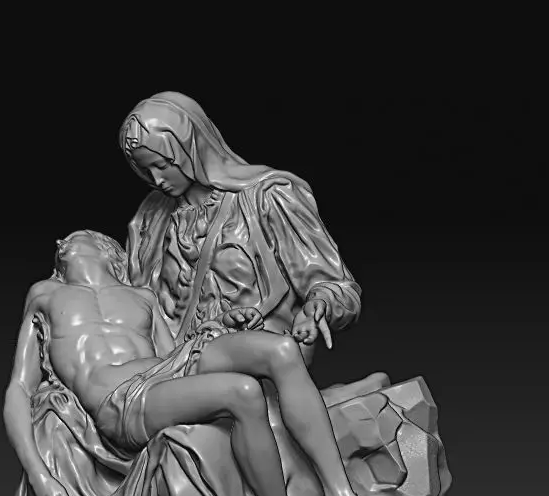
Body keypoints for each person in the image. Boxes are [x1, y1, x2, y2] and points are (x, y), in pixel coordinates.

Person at [4, 229, 402, 496]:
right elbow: (20, 388)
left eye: (74, 239)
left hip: (167, 369)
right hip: (122, 401)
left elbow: (174, 353)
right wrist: (40, 476)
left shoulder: (141, 296)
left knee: (282, 350)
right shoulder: (46, 294)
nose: (62, 243)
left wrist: (222, 325)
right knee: (242, 392)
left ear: (107, 250)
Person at [120, 92, 374, 373]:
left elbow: (338, 287)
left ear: (191, 148)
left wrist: (318, 305)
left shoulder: (268, 197)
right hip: (173, 363)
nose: (157, 179)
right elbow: (131, 298)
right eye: (146, 169)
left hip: (258, 360)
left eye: (162, 165)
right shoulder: (151, 217)